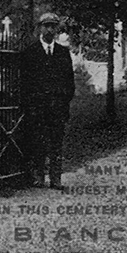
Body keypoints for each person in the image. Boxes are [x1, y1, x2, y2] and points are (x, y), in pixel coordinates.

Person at [20, 12, 75, 190]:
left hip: (57, 108)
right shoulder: (30, 52)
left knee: (56, 144)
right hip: (37, 108)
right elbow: (24, 82)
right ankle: (38, 177)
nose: (50, 29)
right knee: (38, 142)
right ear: (40, 28)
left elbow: (69, 82)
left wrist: (63, 102)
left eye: (53, 26)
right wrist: (31, 104)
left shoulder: (63, 53)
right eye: (47, 26)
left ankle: (56, 178)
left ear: (57, 29)